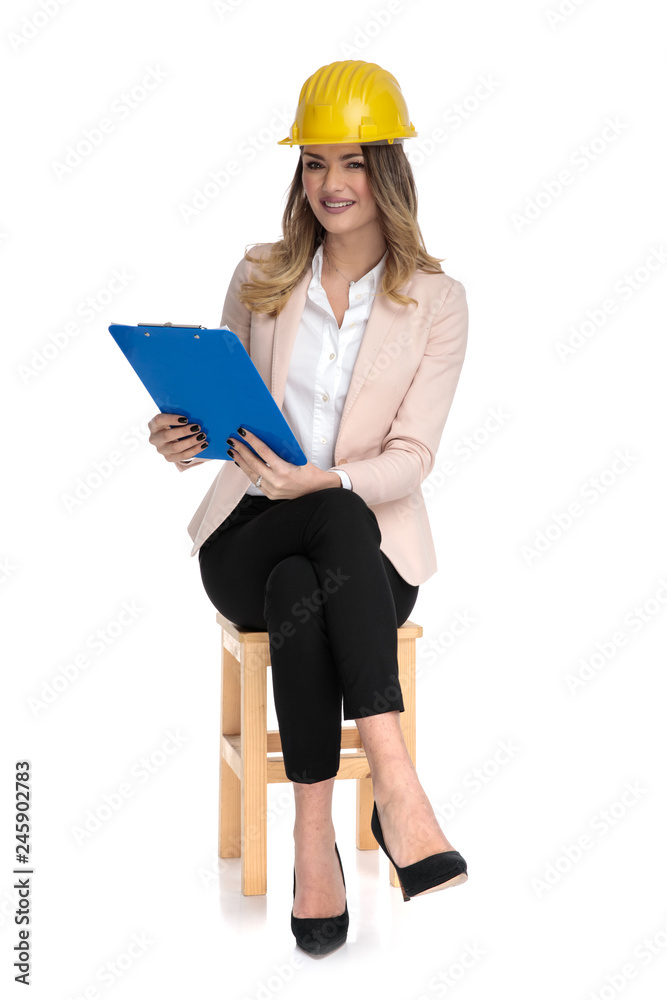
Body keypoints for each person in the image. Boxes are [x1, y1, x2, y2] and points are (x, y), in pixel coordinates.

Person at [148, 59, 469, 956]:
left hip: (369, 563)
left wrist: (321, 480)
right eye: (315, 162)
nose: (331, 183)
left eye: (353, 162)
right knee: (313, 534)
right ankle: (400, 793)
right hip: (245, 535)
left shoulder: (437, 303)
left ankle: (312, 844)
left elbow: (410, 461)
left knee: (318, 558)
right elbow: (217, 414)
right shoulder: (260, 275)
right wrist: (180, 437)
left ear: (389, 173)